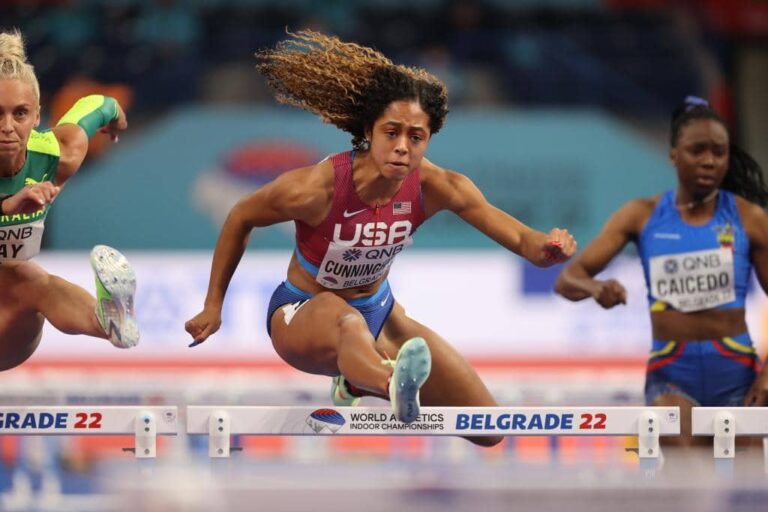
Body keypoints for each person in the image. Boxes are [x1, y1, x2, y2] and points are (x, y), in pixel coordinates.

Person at [185, 30, 576, 444]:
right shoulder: (315, 188)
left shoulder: (437, 185)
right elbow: (241, 215)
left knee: (487, 429)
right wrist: (213, 304)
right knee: (346, 323)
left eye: (416, 136)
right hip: (301, 315)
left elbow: (521, 239)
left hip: (379, 312)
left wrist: (548, 248)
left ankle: (361, 380)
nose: (403, 147)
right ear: (368, 131)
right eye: (392, 132)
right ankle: (383, 383)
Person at [555, 96, 768, 446]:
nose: (709, 161)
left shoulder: (750, 219)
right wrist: (596, 288)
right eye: (697, 150)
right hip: (672, 375)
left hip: (737, 375)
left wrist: (766, 377)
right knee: (689, 487)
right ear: (673, 154)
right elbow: (568, 279)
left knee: (740, 496)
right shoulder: (641, 215)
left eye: (719, 152)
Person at [0, 29, 138, 372]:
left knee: (32, 279)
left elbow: (97, 105)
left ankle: (109, 321)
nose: (7, 127)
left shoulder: (57, 154)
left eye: (20, 114)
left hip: (11, 331)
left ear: (36, 115)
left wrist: (115, 114)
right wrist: (8, 205)